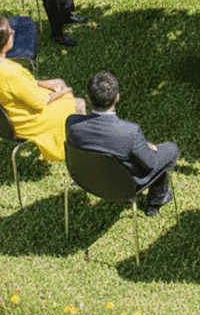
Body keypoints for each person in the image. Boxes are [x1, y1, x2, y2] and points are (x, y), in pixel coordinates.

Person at [0, 16, 85, 162]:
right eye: (10, 32)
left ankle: (68, 137)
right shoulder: (11, 74)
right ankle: (81, 152)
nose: (13, 32)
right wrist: (64, 92)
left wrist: (45, 84)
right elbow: (39, 103)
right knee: (78, 103)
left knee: (58, 82)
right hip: (25, 121)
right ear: (4, 42)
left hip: (7, 115)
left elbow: (17, 86)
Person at [65, 71, 178, 217]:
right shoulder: (130, 132)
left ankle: (158, 198)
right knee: (170, 149)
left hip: (84, 178)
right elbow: (150, 164)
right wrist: (148, 147)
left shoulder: (71, 123)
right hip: (122, 187)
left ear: (88, 96)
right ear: (117, 98)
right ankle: (157, 199)